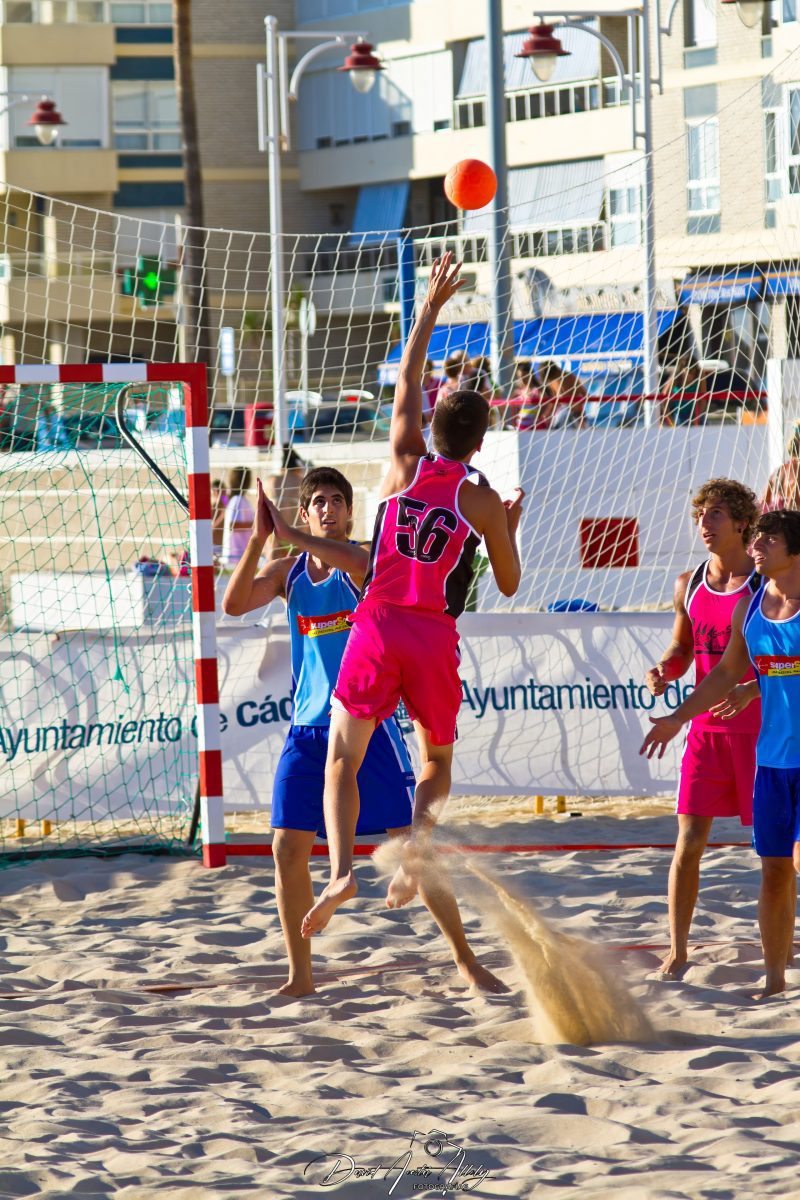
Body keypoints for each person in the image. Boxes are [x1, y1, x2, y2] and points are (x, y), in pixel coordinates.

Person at [300, 251, 524, 941]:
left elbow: (405, 378)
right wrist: (505, 530)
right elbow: (510, 585)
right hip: (432, 631)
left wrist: (428, 309)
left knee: (344, 758)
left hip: (378, 621)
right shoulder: (482, 500)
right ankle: (416, 846)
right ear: (481, 441)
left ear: (433, 429)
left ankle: (340, 870)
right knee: (436, 765)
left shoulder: (403, 458)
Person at [223, 465, 506, 996]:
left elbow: (361, 565)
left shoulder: (364, 563)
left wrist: (286, 533)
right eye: (319, 502)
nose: (328, 508)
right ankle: (300, 977)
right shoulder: (290, 572)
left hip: (366, 726)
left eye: (337, 500)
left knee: (410, 848)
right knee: (286, 849)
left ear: (350, 511)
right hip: (308, 729)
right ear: (305, 512)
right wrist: (260, 539)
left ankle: (465, 960)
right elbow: (234, 605)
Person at [641, 508, 800, 1000]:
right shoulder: (749, 608)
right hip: (772, 761)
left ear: (794, 550)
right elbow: (724, 674)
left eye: (768, 540)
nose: (757, 547)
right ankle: (775, 982)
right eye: (756, 540)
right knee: (773, 870)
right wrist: (677, 718)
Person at [643, 478, 762, 981]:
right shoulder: (688, 582)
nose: (704, 524)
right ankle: (678, 951)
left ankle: (778, 942)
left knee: (780, 850)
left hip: (762, 730)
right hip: (705, 728)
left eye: (715, 514)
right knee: (688, 841)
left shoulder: (766, 583)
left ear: (741, 523)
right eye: (701, 515)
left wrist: (750, 689)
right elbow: (684, 648)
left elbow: (765, 662)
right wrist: (665, 669)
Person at [661, 355, 710, 427]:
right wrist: (669, 419)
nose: (691, 375)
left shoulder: (699, 376)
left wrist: (697, 418)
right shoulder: (675, 378)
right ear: (682, 370)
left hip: (696, 413)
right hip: (680, 415)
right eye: (689, 371)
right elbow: (663, 398)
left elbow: (703, 400)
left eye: (693, 372)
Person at [221, 467, 254, 567]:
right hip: (235, 557)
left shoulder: (241, 499)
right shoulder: (237, 500)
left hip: (241, 555)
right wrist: (256, 524)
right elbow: (233, 525)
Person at [537, 361, 586, 429]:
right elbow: (583, 393)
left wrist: (546, 415)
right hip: (572, 413)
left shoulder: (560, 379)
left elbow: (583, 393)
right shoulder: (564, 378)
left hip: (571, 413)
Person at [761, 429, 800, 512]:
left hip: (776, 519)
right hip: (792, 519)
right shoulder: (798, 470)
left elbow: (763, 503)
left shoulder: (778, 471)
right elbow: (793, 503)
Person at [210, 477, 228, 557]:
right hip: (214, 547)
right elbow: (210, 530)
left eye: (223, 491)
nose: (222, 493)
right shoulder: (213, 508)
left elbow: (226, 499)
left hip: (226, 546)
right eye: (219, 491)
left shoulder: (226, 504)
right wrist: (222, 517)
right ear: (214, 492)